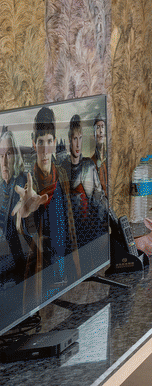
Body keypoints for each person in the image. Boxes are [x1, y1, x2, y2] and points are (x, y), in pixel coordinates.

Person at [12, 106, 79, 285]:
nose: (45, 150)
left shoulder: (63, 175)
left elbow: (69, 224)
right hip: (40, 276)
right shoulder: (25, 184)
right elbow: (23, 236)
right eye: (41, 142)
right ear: (34, 143)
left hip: (65, 269)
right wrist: (26, 216)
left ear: (55, 141)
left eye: (49, 141)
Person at [64, 113, 111, 248]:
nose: (78, 144)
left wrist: (98, 230)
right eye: (74, 139)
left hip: (90, 233)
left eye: (80, 138)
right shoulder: (63, 169)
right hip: (71, 235)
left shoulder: (89, 166)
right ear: (69, 140)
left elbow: (100, 199)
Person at [0, 126, 29, 285]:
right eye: (1, 155)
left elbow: (30, 229)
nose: (4, 161)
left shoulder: (23, 182)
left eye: (8, 154)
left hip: (18, 258)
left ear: (15, 156)